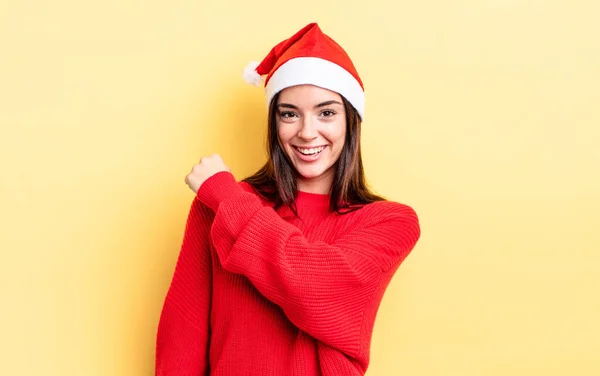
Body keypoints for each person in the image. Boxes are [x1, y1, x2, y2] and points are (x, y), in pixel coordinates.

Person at [155, 22, 421, 376]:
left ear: (350, 122)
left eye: (326, 112)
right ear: (274, 122)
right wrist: (225, 201)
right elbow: (182, 337)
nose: (307, 132)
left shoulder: (390, 222)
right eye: (290, 114)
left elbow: (317, 289)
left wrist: (227, 199)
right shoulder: (219, 207)